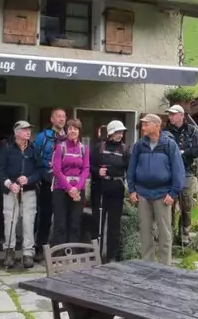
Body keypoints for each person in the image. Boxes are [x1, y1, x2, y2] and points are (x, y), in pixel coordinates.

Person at [127, 113, 185, 266]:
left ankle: (165, 265)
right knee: (145, 231)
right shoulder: (139, 145)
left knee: (164, 232)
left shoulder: (169, 145)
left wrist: (173, 193)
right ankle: (148, 264)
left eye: (146, 124)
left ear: (157, 126)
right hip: (143, 194)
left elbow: (178, 171)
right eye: (143, 124)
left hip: (163, 194)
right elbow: (131, 169)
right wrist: (132, 190)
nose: (143, 127)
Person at [0, 120, 41, 269]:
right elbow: (0, 170)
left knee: (29, 221)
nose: (28, 132)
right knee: (10, 220)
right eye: (24, 129)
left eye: (29, 129)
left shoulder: (34, 148)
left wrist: (29, 179)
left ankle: (28, 253)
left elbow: (39, 171)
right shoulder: (7, 148)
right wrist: (9, 183)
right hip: (11, 190)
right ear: (16, 132)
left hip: (29, 190)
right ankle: (9, 252)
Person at [90, 120, 130, 262]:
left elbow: (128, 169)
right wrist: (97, 171)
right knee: (97, 223)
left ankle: (111, 256)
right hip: (100, 188)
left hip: (116, 190)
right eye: (118, 132)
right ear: (111, 133)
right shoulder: (99, 147)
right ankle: (96, 255)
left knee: (114, 224)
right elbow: (89, 166)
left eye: (122, 132)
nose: (120, 135)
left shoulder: (125, 149)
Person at [164, 105, 198, 245]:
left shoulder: (192, 131)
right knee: (168, 205)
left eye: (173, 114)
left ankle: (184, 235)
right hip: (169, 173)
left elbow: (197, 150)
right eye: (169, 115)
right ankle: (167, 235)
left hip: (187, 171)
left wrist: (182, 152)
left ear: (181, 115)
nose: (170, 117)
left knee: (186, 205)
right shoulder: (165, 132)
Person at [33, 108, 67, 259]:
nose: (62, 119)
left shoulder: (69, 137)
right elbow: (36, 158)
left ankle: (59, 248)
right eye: (58, 116)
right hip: (47, 180)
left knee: (61, 216)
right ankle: (40, 247)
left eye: (64, 117)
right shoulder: (43, 137)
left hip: (64, 182)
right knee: (45, 215)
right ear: (52, 119)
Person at [51, 118, 90, 248]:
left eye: (75, 128)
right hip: (61, 190)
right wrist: (69, 188)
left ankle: (72, 255)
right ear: (67, 131)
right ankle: (58, 256)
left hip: (78, 191)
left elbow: (86, 169)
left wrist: (77, 188)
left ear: (79, 131)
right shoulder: (60, 147)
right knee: (60, 224)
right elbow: (57, 170)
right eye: (70, 128)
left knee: (75, 223)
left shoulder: (84, 148)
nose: (73, 131)